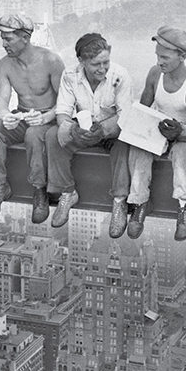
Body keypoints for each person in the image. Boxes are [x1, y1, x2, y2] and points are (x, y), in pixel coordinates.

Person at [0, 14, 64, 222]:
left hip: (48, 118)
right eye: (2, 38)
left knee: (34, 135)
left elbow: (65, 102)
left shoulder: (51, 61)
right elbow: (2, 103)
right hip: (23, 114)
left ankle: (40, 191)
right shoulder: (4, 65)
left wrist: (46, 118)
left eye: (8, 39)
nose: (3, 44)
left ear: (25, 38)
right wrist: (6, 117)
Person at [46, 33, 132, 231]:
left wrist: (103, 130)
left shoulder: (120, 75)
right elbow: (62, 112)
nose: (102, 69)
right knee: (53, 136)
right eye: (95, 64)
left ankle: (119, 200)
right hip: (84, 128)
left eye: (105, 62)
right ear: (81, 61)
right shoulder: (69, 76)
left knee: (125, 143)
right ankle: (67, 193)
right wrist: (73, 129)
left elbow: (125, 115)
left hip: (112, 130)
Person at [125, 26, 186, 239]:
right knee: (139, 149)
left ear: (182, 56)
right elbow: (143, 109)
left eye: (165, 57)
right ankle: (140, 202)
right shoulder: (154, 73)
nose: (160, 61)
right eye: (158, 56)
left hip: (181, 134)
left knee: (180, 156)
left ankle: (184, 205)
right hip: (158, 127)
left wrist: (180, 132)